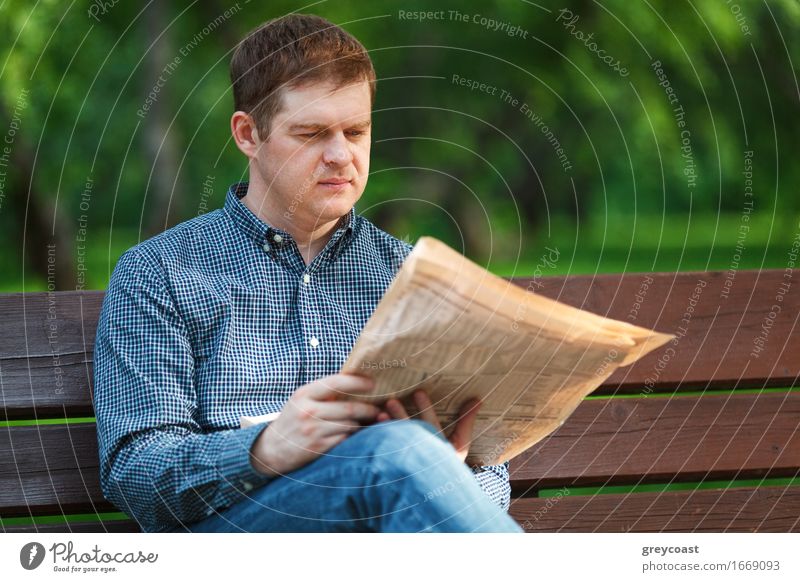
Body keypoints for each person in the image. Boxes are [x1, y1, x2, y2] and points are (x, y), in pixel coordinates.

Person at [93, 13, 522, 533]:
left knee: (399, 456)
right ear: (248, 133)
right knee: (390, 452)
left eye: (356, 131)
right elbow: (135, 472)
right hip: (239, 535)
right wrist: (266, 447)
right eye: (312, 133)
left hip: (395, 531)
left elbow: (491, 465)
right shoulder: (160, 271)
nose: (341, 155)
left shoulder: (411, 274)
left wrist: (445, 476)